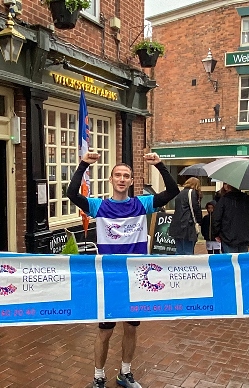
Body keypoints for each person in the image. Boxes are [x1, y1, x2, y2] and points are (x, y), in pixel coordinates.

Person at [66, 151, 179, 388]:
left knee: (130, 328)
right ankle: (98, 376)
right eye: (118, 175)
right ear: (111, 179)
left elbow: (172, 192)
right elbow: (71, 193)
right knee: (105, 331)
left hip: (135, 279)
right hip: (109, 279)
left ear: (131, 181)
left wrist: (160, 164)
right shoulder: (99, 206)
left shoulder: (142, 203)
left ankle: (125, 373)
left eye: (126, 176)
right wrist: (84, 164)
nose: (122, 179)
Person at [212, 183, 249, 253]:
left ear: (229, 187)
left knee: (230, 261)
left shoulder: (224, 200)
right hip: (245, 235)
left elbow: (216, 217)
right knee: (242, 261)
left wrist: (216, 233)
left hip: (228, 236)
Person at [168, 177, 202, 254]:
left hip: (176, 225)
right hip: (187, 225)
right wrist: (199, 221)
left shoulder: (180, 193)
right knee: (188, 251)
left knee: (179, 251)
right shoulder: (192, 193)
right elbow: (196, 208)